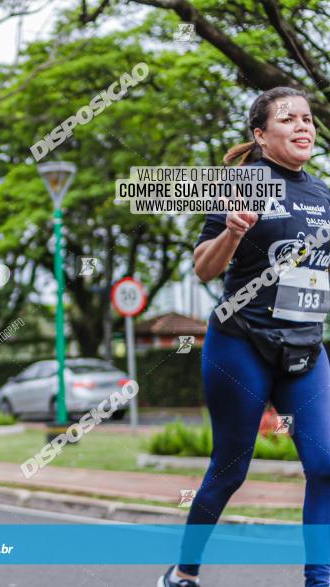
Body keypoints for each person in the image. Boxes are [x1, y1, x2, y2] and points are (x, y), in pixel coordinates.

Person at [160, 87, 330, 587]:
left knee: (326, 466)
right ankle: (184, 572)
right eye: (288, 119)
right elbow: (202, 267)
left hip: (305, 349)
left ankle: (319, 580)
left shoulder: (324, 194)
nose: (303, 126)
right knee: (229, 471)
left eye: (308, 118)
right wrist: (231, 232)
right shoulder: (244, 183)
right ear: (260, 135)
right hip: (242, 344)